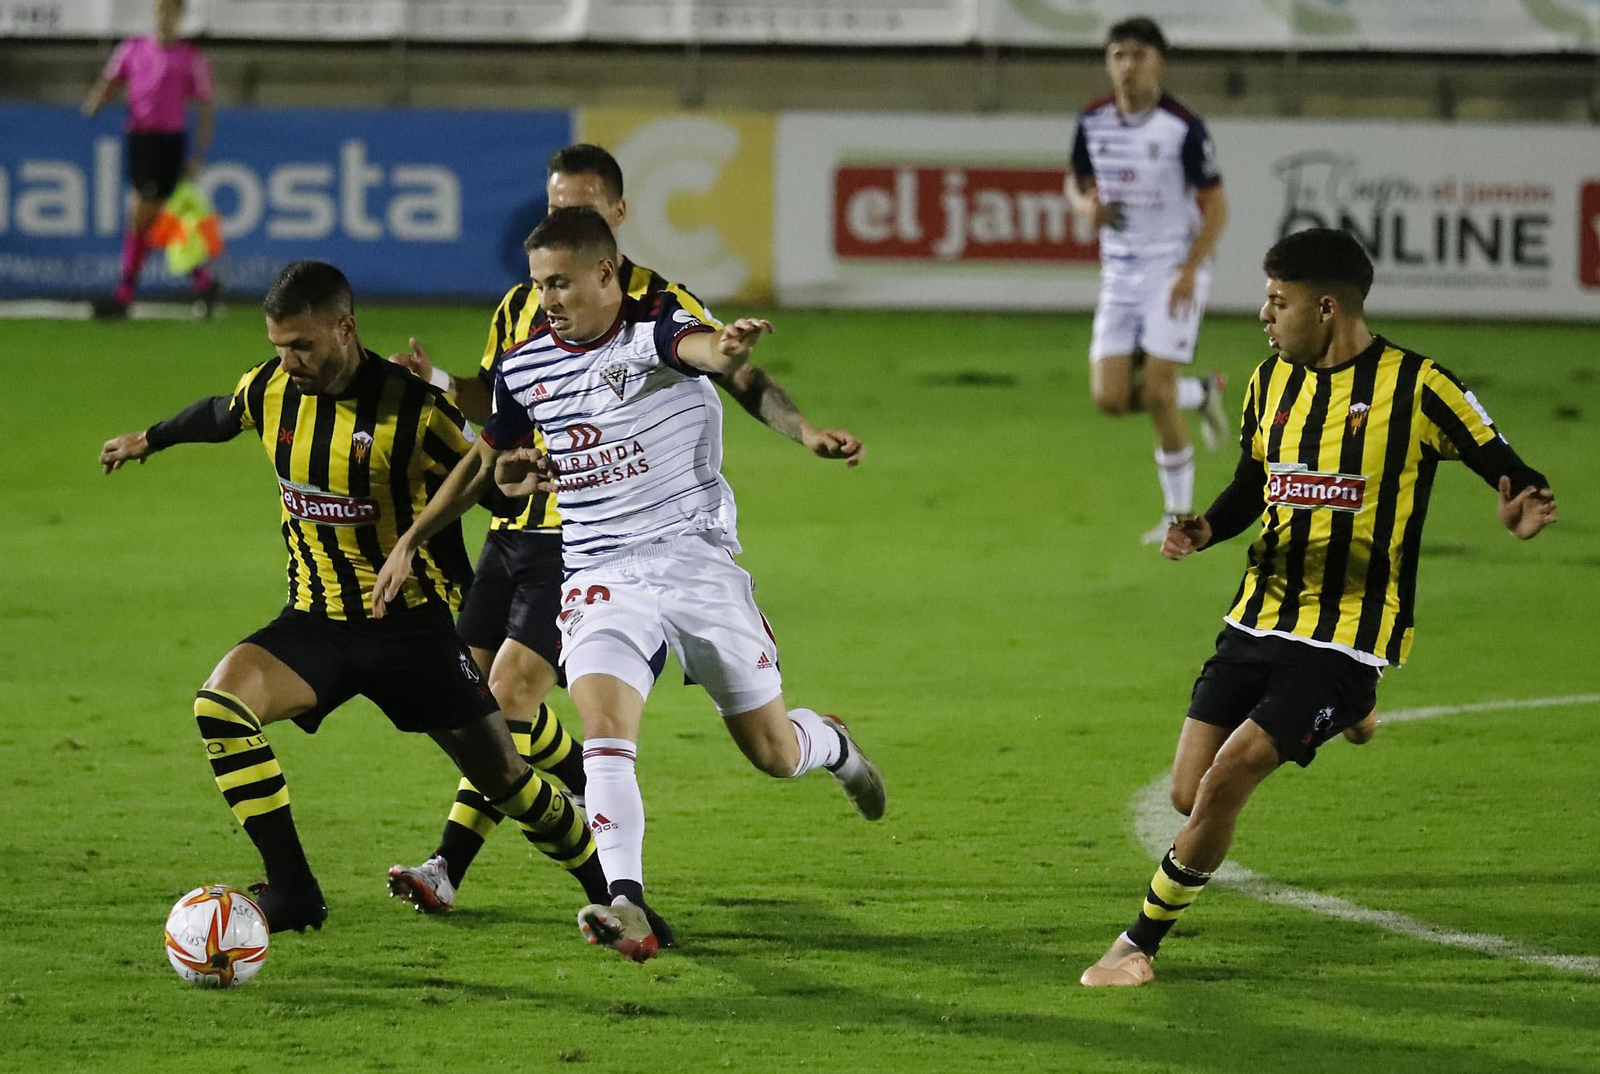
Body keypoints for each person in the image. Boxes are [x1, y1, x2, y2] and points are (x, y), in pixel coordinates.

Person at [371, 207, 885, 962]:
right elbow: (498, 464)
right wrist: (484, 496)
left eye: (563, 282)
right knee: (606, 733)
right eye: (539, 283)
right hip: (601, 572)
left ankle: (832, 745)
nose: (548, 298)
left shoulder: (654, 326)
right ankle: (627, 902)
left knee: (774, 753)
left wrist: (788, 412)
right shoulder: (524, 366)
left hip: (696, 563)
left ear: (606, 273)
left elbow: (709, 353)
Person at [1080, 228, 1558, 987]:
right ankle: (1350, 718)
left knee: (1227, 780)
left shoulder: (1419, 385)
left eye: (1278, 302)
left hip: (1348, 634)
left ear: (1327, 306)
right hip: (1258, 615)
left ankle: (1136, 945)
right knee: (1187, 793)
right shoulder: (1272, 382)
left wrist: (1522, 500)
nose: (1265, 318)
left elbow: (1507, 464)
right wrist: (1206, 527)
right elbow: (1252, 483)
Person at [98, 260, 609, 933]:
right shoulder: (272, 389)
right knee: (220, 705)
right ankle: (294, 892)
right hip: (316, 624)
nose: (290, 361)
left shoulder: (415, 410)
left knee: (507, 781)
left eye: (303, 346)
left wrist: (514, 477)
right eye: (280, 346)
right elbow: (223, 413)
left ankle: (612, 889)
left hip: (413, 635)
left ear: (345, 328)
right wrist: (150, 439)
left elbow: (480, 478)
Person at [384, 144, 723, 918]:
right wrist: (439, 385)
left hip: (587, 540)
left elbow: (692, 394)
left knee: (504, 697)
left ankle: (451, 865)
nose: (563, 218)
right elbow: (498, 418)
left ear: (617, 217)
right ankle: (575, 775)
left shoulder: (655, 306)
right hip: (513, 532)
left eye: (583, 206)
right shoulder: (526, 303)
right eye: (552, 205)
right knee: (467, 702)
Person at [1066, 15, 1231, 544]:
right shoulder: (1092, 119)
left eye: (1137, 55)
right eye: (1118, 55)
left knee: (1156, 391)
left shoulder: (1182, 125)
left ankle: (1178, 516)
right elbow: (1075, 178)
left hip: (1171, 271)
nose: (1127, 65)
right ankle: (1200, 393)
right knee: (1110, 399)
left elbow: (1218, 209)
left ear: (1158, 61)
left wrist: (1188, 272)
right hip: (1119, 274)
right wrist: (1084, 205)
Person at [82, 0, 218, 318]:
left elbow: (205, 105)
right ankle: (203, 282)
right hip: (139, 139)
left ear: (180, 17)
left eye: (170, 13)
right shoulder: (133, 49)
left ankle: (125, 294)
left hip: (167, 141)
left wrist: (199, 153)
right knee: (156, 217)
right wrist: (98, 98)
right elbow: (110, 80)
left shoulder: (190, 58)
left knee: (145, 213)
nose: (163, 19)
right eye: (159, 13)